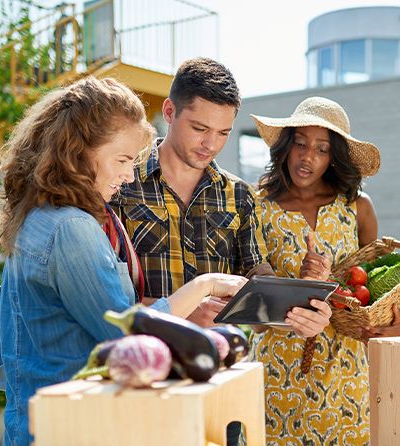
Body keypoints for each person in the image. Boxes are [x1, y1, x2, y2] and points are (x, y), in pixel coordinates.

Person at [0, 77, 247, 446]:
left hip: (35, 434)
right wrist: (204, 285)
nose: (129, 175)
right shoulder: (72, 228)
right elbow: (124, 332)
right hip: (73, 443)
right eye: (123, 160)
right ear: (79, 153)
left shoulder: (39, 219)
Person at [111, 57, 330, 337]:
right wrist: (180, 310)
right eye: (200, 129)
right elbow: (103, 300)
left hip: (221, 365)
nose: (211, 144)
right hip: (144, 362)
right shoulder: (121, 184)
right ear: (169, 111)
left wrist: (300, 308)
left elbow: (259, 306)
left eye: (223, 133)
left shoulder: (240, 196)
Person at [249, 96, 400, 446]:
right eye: (301, 143)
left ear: (333, 156)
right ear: (286, 145)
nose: (308, 157)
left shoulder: (357, 207)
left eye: (322, 149)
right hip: (279, 368)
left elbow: (370, 286)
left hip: (343, 369)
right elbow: (255, 293)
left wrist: (331, 283)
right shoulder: (257, 206)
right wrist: (302, 285)